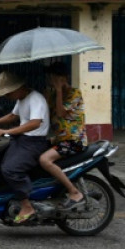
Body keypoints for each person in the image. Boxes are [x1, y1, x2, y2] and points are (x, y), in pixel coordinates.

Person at [0, 70, 50, 225]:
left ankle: (26, 205)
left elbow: (35, 123)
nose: (6, 96)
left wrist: (7, 131)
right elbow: (13, 116)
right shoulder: (22, 98)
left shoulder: (35, 98)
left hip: (35, 143)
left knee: (10, 169)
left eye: (8, 93)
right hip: (23, 140)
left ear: (18, 87)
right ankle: (8, 195)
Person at [38, 61, 88, 211]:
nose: (51, 80)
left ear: (64, 77)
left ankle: (74, 192)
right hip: (59, 139)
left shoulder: (75, 94)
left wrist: (59, 90)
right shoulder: (51, 94)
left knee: (45, 160)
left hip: (74, 140)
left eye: (54, 77)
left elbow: (60, 113)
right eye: (50, 77)